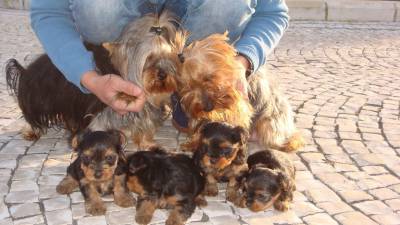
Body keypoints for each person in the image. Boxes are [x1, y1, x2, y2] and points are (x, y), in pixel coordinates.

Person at [30, 0, 289, 129]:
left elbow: (272, 11)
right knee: (97, 6)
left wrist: (241, 63)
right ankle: (124, 74)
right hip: (121, 31)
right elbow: (50, 11)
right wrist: (89, 78)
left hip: (195, 22)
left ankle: (190, 81)